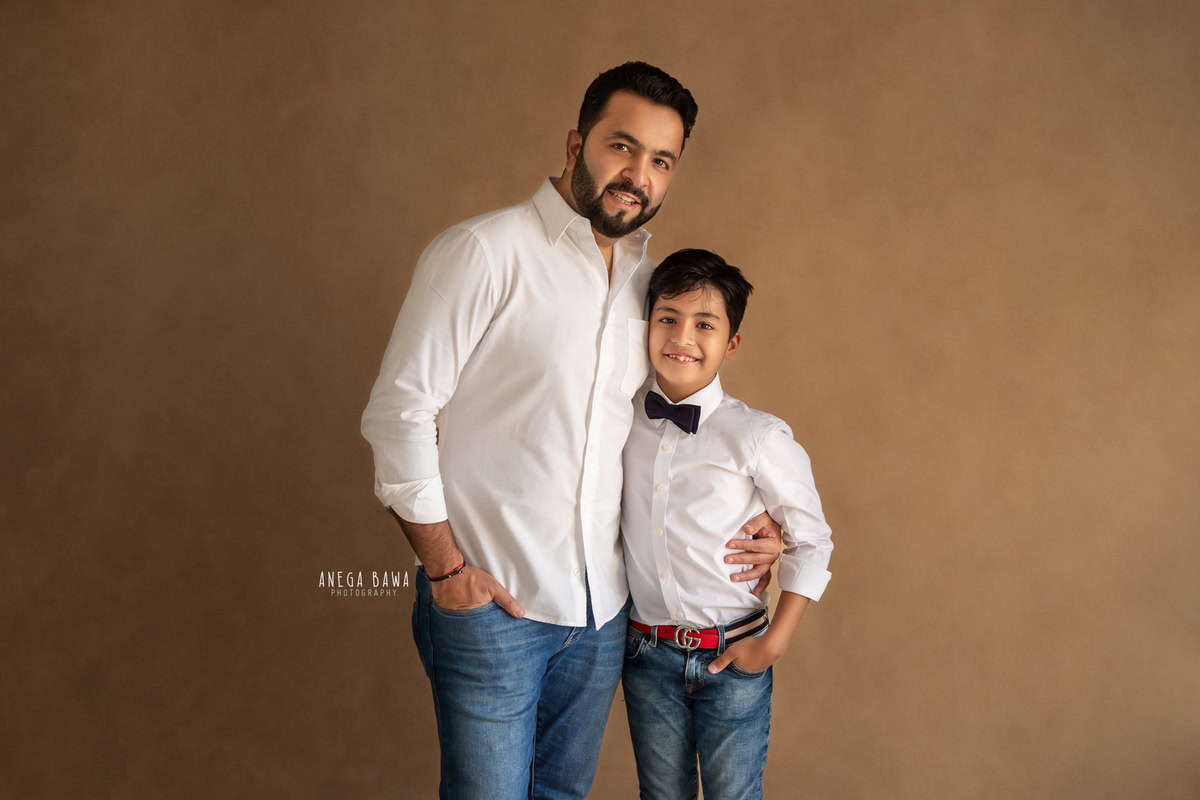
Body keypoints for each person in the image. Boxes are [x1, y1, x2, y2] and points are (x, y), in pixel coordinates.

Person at [360, 62, 784, 799]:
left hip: (602, 619)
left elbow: (669, 434)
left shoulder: (649, 288)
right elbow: (399, 413)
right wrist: (445, 570)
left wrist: (757, 525)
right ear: (574, 144)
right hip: (494, 607)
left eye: (660, 161)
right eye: (622, 147)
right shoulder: (482, 253)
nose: (637, 176)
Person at [620, 248, 835, 800]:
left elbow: (812, 540)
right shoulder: (617, 417)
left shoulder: (757, 436)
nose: (681, 338)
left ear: (731, 343)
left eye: (704, 324)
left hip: (732, 654)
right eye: (667, 318)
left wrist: (773, 645)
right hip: (646, 656)